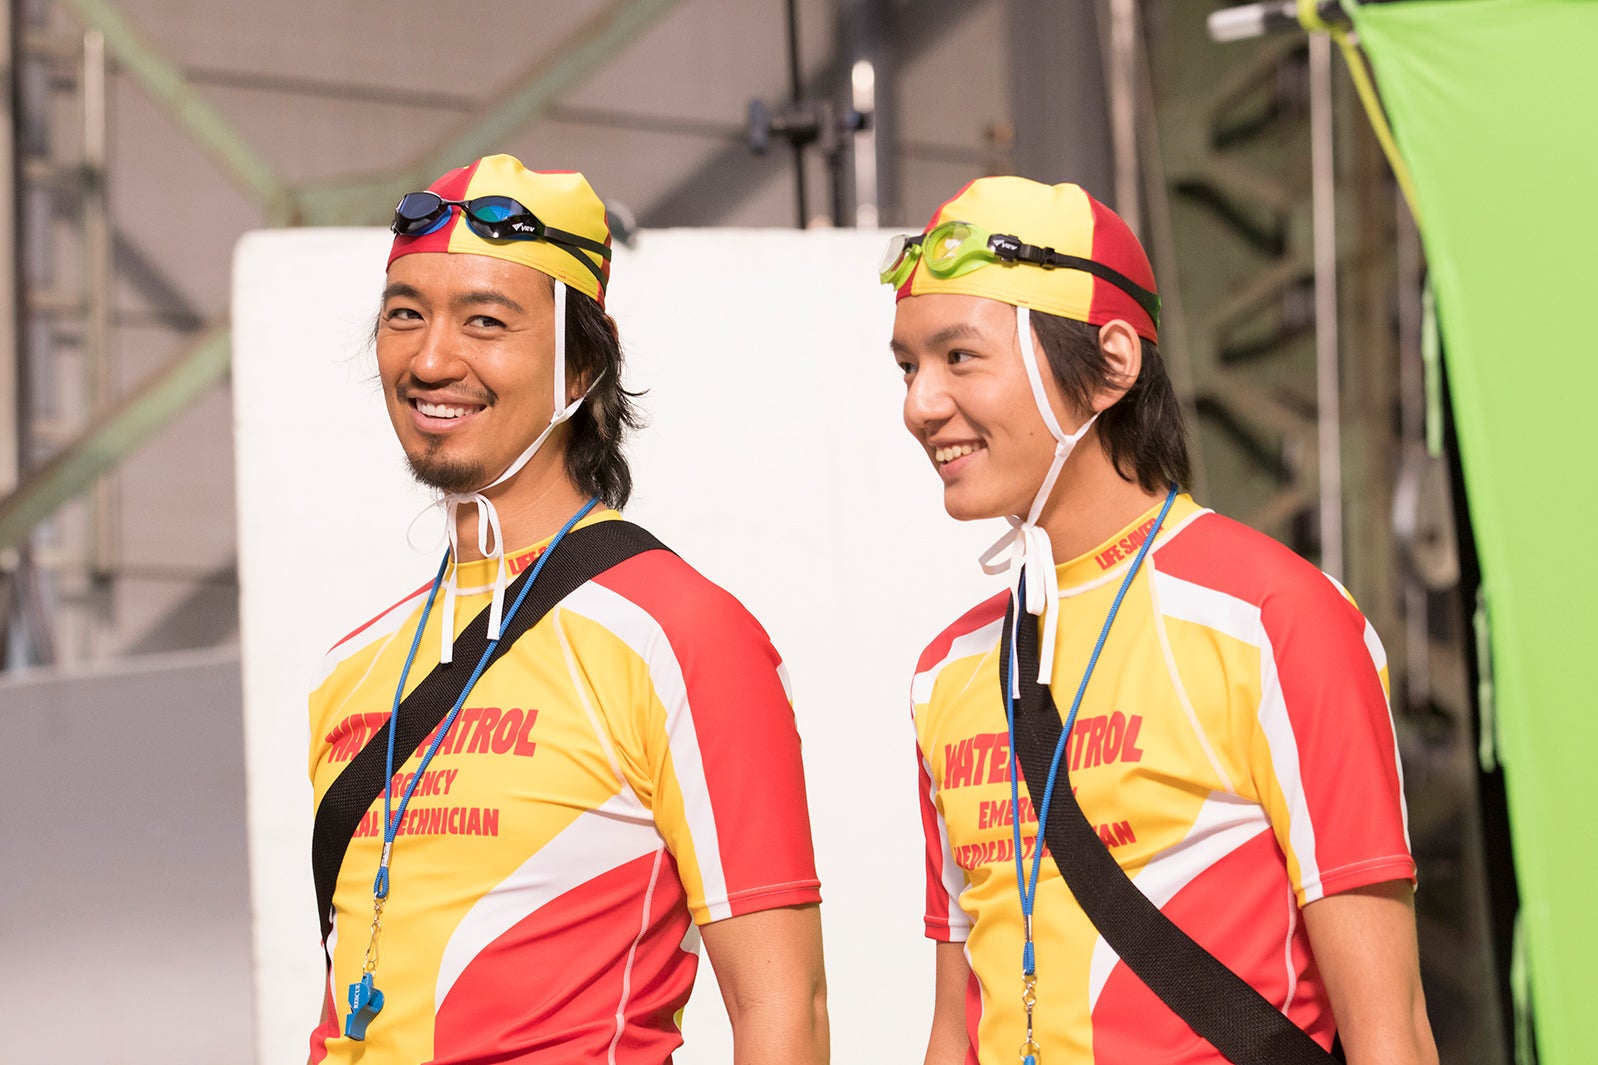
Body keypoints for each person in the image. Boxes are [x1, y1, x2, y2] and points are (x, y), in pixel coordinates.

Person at [881, 176, 1437, 1065]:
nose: (920, 404)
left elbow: (1390, 1030)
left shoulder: (1274, 620)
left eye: (959, 358)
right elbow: (958, 1027)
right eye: (908, 366)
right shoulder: (947, 670)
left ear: (1109, 362)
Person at [306, 154, 827, 1065]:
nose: (432, 359)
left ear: (584, 360)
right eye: (405, 315)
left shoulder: (680, 635)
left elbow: (785, 1009)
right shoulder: (354, 665)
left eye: (485, 322)